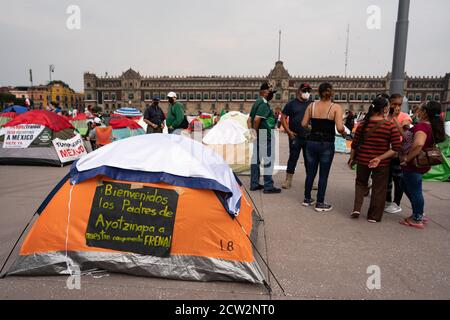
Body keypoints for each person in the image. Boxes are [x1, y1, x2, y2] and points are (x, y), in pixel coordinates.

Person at [348, 96, 401, 222]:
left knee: (360, 184)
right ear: (384, 109)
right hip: (381, 163)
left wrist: (351, 159)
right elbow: (396, 148)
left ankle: (356, 209)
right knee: (379, 188)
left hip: (362, 160)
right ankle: (374, 216)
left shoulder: (362, 124)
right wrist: (379, 158)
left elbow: (355, 144)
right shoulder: (390, 126)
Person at [399, 101, 445, 229]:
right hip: (420, 162)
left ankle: (417, 218)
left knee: (415, 190)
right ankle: (418, 211)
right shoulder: (431, 126)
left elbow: (419, 144)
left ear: (424, 112)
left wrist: (407, 158)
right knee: (404, 184)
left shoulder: (422, 127)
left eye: (419, 109)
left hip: (414, 163)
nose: (416, 111)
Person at [301, 83, 346, 211]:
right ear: (331, 93)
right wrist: (344, 133)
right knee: (323, 175)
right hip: (326, 144)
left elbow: (303, 123)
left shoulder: (311, 105)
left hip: (311, 142)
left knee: (310, 173)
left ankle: (307, 198)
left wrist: (312, 128)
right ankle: (320, 202)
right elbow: (339, 127)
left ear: (318, 93)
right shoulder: (335, 107)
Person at [248, 82, 281, 194]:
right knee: (268, 160)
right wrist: (256, 132)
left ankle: (254, 184)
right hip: (264, 135)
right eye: (270, 92)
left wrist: (252, 132)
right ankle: (268, 186)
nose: (272, 94)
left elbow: (249, 119)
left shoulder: (256, 102)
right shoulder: (263, 104)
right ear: (265, 91)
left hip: (259, 134)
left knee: (255, 160)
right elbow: (257, 119)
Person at [280, 83, 313, 189]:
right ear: (299, 91)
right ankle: (288, 180)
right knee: (293, 158)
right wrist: (289, 132)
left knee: (309, 159)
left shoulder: (312, 104)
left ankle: (310, 181)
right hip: (295, 136)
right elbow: (283, 118)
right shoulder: (291, 104)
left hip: (308, 137)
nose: (307, 93)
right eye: (305, 90)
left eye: (308, 90)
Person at [384, 93, 412, 214]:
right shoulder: (384, 117)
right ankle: (387, 200)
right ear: (389, 104)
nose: (397, 107)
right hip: (385, 152)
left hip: (398, 154)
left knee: (398, 178)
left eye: (399, 105)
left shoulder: (404, 117)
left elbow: (405, 136)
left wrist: (395, 119)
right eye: (394, 104)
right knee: (386, 179)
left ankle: (396, 202)